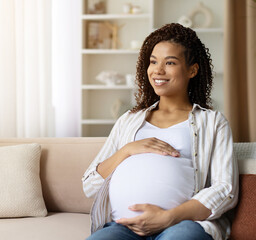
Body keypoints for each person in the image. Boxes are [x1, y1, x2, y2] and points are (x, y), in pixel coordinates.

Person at [82, 23, 238, 240]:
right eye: (153, 61)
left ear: (192, 70)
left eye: (170, 62)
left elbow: (225, 189)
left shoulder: (212, 122)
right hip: (123, 228)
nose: (158, 70)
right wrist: (127, 150)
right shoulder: (128, 120)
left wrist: (169, 217)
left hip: (182, 224)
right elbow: (90, 185)